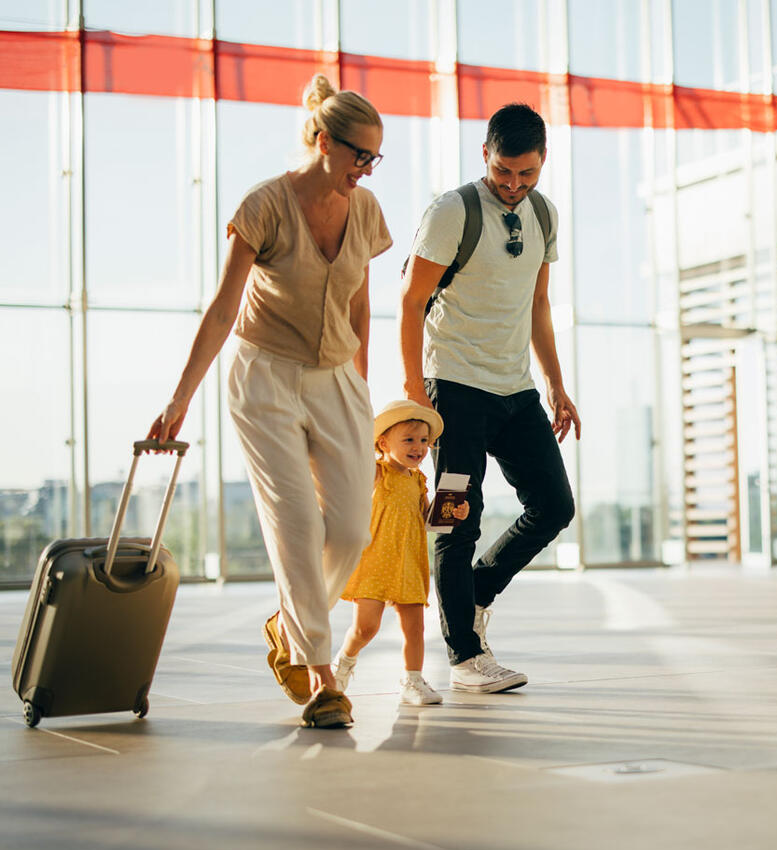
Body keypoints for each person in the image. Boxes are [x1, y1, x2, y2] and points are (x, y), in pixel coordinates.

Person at [147, 73, 391, 729]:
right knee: (297, 526)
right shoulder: (264, 205)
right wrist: (179, 399)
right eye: (358, 155)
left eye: (375, 158)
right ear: (322, 140)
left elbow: (361, 305)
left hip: (338, 378)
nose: (366, 170)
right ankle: (319, 677)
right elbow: (225, 307)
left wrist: (364, 391)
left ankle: (288, 627)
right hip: (265, 378)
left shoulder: (365, 212)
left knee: (350, 529)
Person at [399, 102, 580, 694]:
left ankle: (475, 593)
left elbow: (539, 304)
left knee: (554, 506)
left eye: (526, 174)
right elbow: (410, 301)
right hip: (453, 385)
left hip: (515, 386)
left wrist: (555, 384)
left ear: (543, 163)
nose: (513, 184)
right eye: (504, 171)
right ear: (485, 155)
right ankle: (464, 657)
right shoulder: (452, 211)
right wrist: (412, 389)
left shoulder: (545, 215)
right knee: (457, 519)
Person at [330, 400, 469, 705]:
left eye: (423, 441)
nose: (418, 447)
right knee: (366, 627)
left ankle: (413, 680)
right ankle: (344, 661)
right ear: (383, 443)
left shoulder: (418, 479)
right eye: (408, 440)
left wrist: (453, 512)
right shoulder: (377, 473)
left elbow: (427, 518)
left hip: (408, 561)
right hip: (375, 560)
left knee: (416, 627)